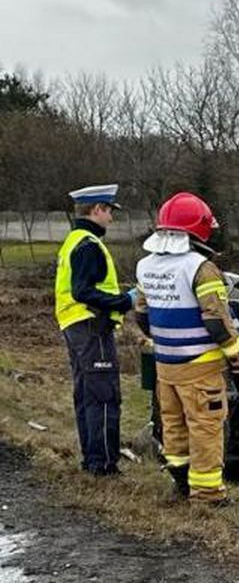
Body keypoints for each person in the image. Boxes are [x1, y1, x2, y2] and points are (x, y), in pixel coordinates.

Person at [133, 193, 239, 505]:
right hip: (201, 365)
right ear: (200, 229)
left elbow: (142, 315)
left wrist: (167, 340)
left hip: (166, 365)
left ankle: (181, 484)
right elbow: (216, 320)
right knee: (205, 427)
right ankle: (208, 493)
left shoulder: (145, 265)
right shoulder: (201, 268)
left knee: (173, 424)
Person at [55, 184, 135, 476]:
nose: (111, 219)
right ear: (97, 209)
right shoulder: (88, 244)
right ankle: (103, 464)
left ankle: (92, 459)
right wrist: (124, 301)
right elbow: (83, 291)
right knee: (104, 394)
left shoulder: (74, 240)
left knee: (87, 393)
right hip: (92, 325)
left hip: (76, 325)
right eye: (109, 211)